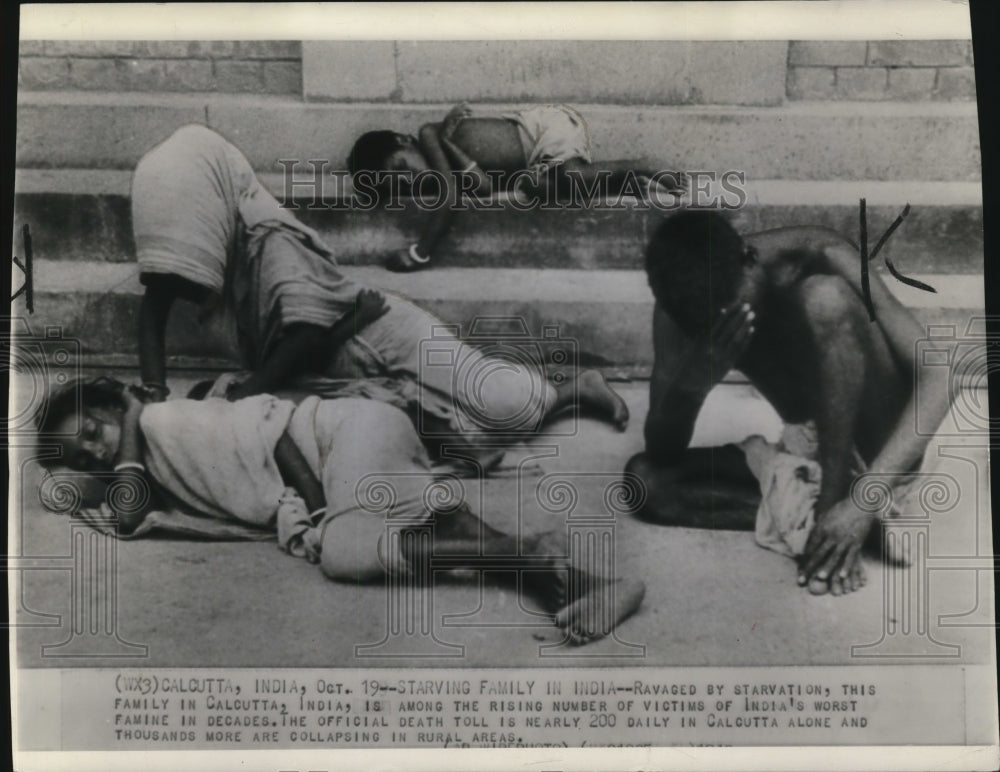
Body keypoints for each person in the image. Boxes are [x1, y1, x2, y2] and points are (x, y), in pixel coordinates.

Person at [36, 377, 645, 645]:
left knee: (346, 550)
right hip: (356, 442)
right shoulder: (140, 459)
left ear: (114, 405)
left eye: (94, 428)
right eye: (82, 452)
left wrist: (327, 513)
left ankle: (536, 550)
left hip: (337, 436)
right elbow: (107, 502)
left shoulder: (162, 422)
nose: (97, 448)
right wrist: (89, 460)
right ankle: (594, 586)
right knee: (446, 527)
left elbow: (270, 432)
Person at [132, 123, 629, 450]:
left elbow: (305, 337)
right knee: (450, 439)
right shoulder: (208, 249)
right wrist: (153, 394)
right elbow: (154, 305)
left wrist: (251, 391)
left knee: (507, 410)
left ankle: (571, 388)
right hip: (327, 365)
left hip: (383, 334)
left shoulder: (272, 239)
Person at [624, 211, 953, 597]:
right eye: (709, 327)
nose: (724, 329)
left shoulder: (817, 253)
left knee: (825, 299)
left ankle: (843, 512)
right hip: (809, 450)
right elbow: (663, 450)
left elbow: (941, 378)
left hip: (883, 453)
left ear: (749, 260)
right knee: (643, 482)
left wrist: (862, 500)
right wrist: (693, 384)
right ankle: (830, 531)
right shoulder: (677, 309)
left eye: (733, 315)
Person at [347, 103, 689, 271]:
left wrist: (420, 251)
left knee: (570, 178)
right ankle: (620, 182)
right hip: (533, 165)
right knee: (538, 190)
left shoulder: (425, 133)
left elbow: (451, 199)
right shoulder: (441, 156)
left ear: (402, 140)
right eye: (402, 186)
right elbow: (481, 187)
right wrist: (450, 144)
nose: (412, 180)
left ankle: (643, 166)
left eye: (402, 167)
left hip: (543, 128)